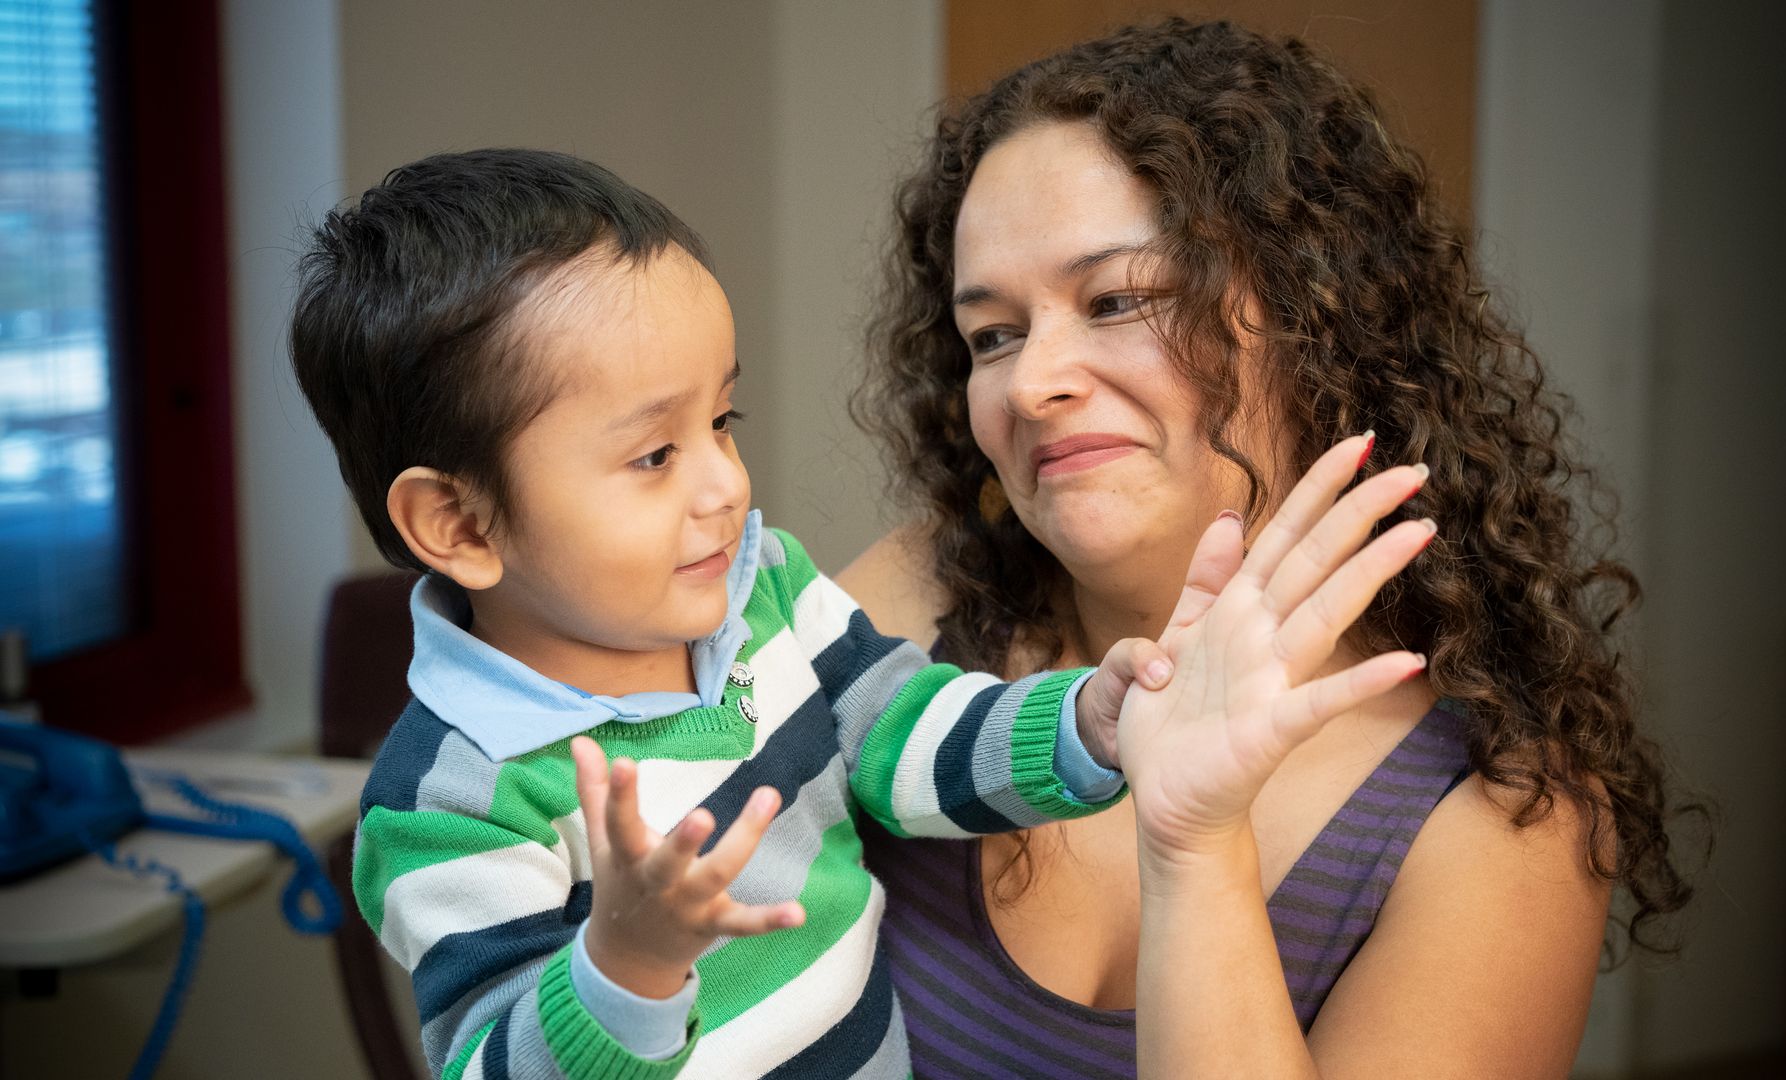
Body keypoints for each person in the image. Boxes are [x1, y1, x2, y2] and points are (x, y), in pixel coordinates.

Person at [290, 148, 1430, 1078]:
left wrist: (1091, 721)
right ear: (461, 526)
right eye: (652, 455)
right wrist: (624, 965)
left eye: (723, 423)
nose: (725, 485)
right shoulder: (449, 799)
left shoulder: (764, 593)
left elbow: (907, 738)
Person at [844, 18, 1696, 1078]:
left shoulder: (1502, 813)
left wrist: (1196, 852)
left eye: (1118, 301)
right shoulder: (911, 596)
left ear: (1310, 319)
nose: (1029, 384)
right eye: (993, 335)